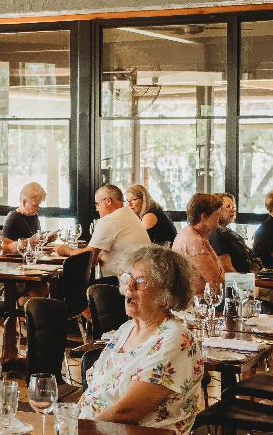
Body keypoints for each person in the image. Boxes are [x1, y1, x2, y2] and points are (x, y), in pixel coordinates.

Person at [79, 244, 202, 435]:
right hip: (98, 428)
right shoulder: (126, 329)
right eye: (128, 277)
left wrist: (79, 429)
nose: (129, 286)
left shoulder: (174, 338)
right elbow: (94, 390)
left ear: (166, 293)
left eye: (141, 281)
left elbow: (127, 412)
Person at [55, 185, 150, 284]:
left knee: (71, 284)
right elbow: (94, 258)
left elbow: (89, 258)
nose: (97, 209)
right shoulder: (129, 214)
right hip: (140, 280)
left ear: (108, 201)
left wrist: (66, 250)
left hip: (122, 283)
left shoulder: (110, 220)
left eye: (97, 204)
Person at [172, 193, 228, 293]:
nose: (219, 218)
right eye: (217, 215)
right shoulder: (193, 240)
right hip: (199, 302)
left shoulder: (193, 233)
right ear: (204, 216)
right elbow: (215, 283)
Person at [208, 193, 257, 274]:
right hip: (238, 283)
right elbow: (227, 269)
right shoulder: (215, 235)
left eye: (234, 207)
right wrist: (251, 283)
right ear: (217, 210)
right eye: (229, 206)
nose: (234, 210)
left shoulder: (227, 231)